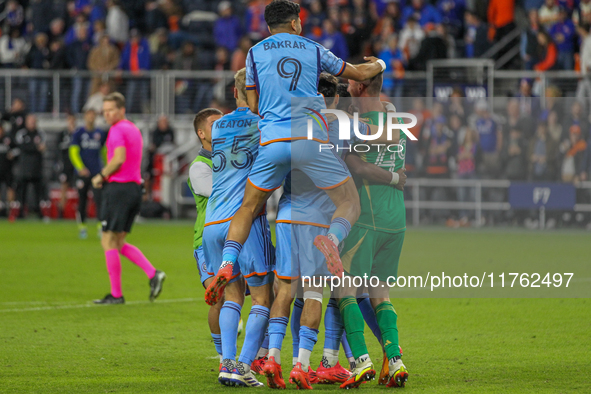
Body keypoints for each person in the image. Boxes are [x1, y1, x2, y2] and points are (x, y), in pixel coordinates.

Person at [205, 0, 387, 308]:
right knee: (348, 201)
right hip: (308, 140)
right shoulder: (313, 49)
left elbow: (252, 105)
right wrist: (380, 64)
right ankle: (331, 239)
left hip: (273, 142)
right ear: (294, 23)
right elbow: (357, 73)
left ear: (269, 25)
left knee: (248, 207)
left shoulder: (253, 53)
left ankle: (227, 262)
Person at [203, 69, 274, 387]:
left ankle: (227, 363)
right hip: (243, 223)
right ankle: (244, 364)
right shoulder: (262, 125)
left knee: (232, 296)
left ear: (234, 93)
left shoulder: (218, 124)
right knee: (262, 297)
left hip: (212, 223)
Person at [337, 72, 409, 388]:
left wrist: (392, 178)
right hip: (397, 218)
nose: (348, 81)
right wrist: (396, 177)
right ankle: (395, 361)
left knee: (345, 290)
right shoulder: (393, 115)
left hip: (367, 216)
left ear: (360, 86)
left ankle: (362, 360)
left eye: (353, 79)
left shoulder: (356, 123)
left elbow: (358, 167)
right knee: (381, 294)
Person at [91, 92, 165, 304]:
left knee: (107, 240)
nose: (107, 114)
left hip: (119, 189)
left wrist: (101, 176)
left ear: (122, 110)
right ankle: (153, 274)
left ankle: (116, 295)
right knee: (119, 241)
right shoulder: (133, 129)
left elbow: (119, 158)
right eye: (104, 111)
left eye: (111, 110)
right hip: (134, 189)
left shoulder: (116, 130)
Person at [187, 107, 225, 364]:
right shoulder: (199, 167)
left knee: (268, 292)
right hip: (207, 241)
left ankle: (260, 355)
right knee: (218, 297)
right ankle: (225, 357)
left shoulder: (232, 158)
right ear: (201, 133)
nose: (222, 127)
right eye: (215, 124)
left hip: (237, 235)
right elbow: (221, 194)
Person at [70, 109, 107, 239]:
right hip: (83, 174)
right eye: (89, 115)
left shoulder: (100, 133)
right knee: (82, 200)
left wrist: (106, 168)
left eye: (93, 115)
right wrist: (80, 168)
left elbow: (104, 151)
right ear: (85, 117)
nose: (91, 117)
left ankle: (100, 228)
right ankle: (82, 228)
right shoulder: (79, 133)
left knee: (99, 200)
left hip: (97, 173)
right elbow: (73, 152)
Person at [13, 115, 48, 220]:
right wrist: (35, 147)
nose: (32, 122)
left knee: (38, 192)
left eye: (34, 121)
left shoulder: (40, 133)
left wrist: (33, 147)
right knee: (22, 192)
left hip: (37, 168)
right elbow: (21, 146)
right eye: (30, 120)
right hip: (24, 167)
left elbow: (43, 147)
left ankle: (38, 212)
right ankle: (21, 212)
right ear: (26, 122)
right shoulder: (22, 134)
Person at [57, 114, 77, 217]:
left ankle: (79, 212)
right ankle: (61, 212)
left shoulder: (78, 133)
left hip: (76, 165)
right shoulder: (62, 134)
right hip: (65, 164)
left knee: (80, 188)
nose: (71, 122)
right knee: (64, 187)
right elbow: (58, 149)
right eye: (69, 120)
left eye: (73, 120)